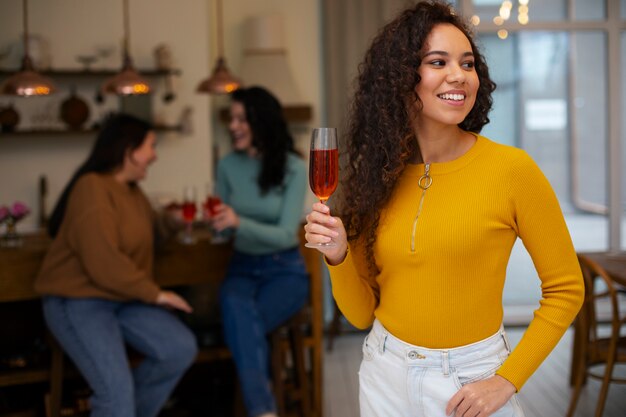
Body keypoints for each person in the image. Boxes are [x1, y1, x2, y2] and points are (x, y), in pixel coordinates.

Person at [304, 2, 584, 416]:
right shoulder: (377, 180)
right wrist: (337, 255)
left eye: (467, 63)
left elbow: (566, 289)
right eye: (438, 61)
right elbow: (362, 314)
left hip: (472, 382)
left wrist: (507, 379)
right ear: (401, 79)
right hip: (386, 373)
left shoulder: (512, 170)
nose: (458, 75)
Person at [35, 113, 198, 417]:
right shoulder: (92, 188)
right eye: (151, 146)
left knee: (179, 348)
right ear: (129, 151)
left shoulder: (133, 194)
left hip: (121, 298)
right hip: (78, 301)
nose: (155, 155)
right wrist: (156, 294)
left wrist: (172, 221)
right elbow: (103, 261)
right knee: (115, 393)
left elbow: (147, 234)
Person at [212, 86, 309, 417]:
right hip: (241, 268)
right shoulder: (226, 166)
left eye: (242, 119)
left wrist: (238, 221)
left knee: (241, 324)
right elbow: (222, 225)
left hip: (285, 271)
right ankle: (265, 408)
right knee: (239, 312)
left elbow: (285, 235)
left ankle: (261, 409)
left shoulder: (294, 168)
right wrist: (218, 224)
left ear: (261, 121)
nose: (233, 126)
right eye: (231, 118)